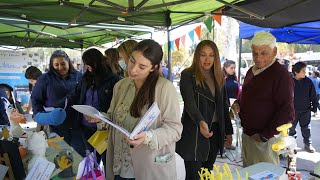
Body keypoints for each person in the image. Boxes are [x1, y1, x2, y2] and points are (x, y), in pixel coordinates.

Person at [86, 39, 182, 180]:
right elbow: (113, 117)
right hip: (119, 165)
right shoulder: (121, 86)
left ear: (153, 68)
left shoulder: (164, 88)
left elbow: (175, 129)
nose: (133, 69)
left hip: (149, 166)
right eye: (132, 61)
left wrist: (149, 137)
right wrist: (100, 118)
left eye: (142, 66)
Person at [232, 32, 294, 167]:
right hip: (247, 135)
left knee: (264, 174)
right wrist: (237, 103)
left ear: (274, 51)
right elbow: (244, 96)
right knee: (248, 173)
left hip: (265, 139)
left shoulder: (280, 75)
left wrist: (265, 135)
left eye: (264, 53)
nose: (258, 58)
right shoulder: (251, 71)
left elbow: (287, 111)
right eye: (255, 53)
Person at [176, 40, 233, 180]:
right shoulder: (188, 75)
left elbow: (224, 106)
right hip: (194, 132)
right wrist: (201, 121)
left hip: (214, 131)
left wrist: (228, 131)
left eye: (211, 55)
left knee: (207, 174)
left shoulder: (219, 76)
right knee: (194, 176)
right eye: (203, 55)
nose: (207, 59)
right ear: (197, 56)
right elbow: (190, 104)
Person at [31, 50, 84, 156]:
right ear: (52, 65)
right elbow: (36, 100)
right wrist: (41, 116)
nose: (60, 67)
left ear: (68, 62)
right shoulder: (45, 79)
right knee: (60, 157)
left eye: (63, 63)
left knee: (79, 157)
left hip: (78, 125)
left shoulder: (79, 77)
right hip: (56, 127)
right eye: (56, 64)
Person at [75, 48, 120, 168]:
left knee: (107, 160)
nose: (87, 66)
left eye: (89, 62)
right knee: (91, 161)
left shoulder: (112, 79)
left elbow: (116, 104)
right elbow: (78, 95)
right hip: (86, 127)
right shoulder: (85, 78)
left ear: (98, 61)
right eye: (85, 63)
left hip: (103, 128)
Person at [290, 62, 317, 153]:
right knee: (291, 129)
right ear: (296, 72)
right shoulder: (289, 81)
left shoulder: (308, 81)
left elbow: (313, 95)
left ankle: (307, 144)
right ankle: (292, 146)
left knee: (306, 128)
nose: (305, 73)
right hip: (292, 111)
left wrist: (314, 106)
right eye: (303, 71)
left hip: (306, 110)